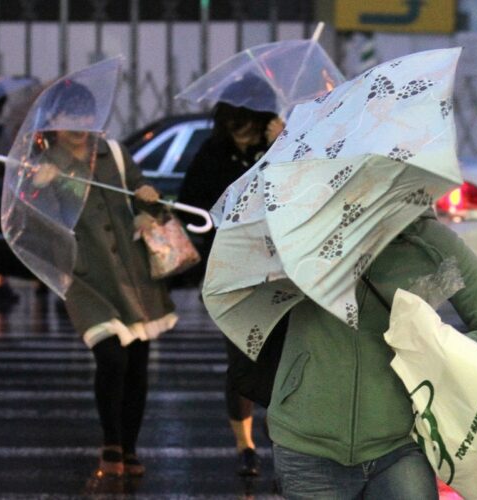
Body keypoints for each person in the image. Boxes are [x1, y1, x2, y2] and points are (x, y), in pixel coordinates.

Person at [267, 209, 477, 499]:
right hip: (307, 442)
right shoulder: (302, 235)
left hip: (403, 444)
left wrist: (437, 351)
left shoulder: (430, 243)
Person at [34, 79, 178, 478]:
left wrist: (147, 202)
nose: (77, 124)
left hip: (133, 274)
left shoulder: (113, 152)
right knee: (111, 357)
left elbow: (138, 194)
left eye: (84, 115)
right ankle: (110, 442)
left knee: (137, 364)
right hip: (86, 278)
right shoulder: (44, 165)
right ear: (52, 121)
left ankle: (129, 448)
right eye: (67, 116)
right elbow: (38, 224)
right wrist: (40, 189)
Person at [177, 78, 284, 477]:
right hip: (228, 271)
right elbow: (191, 207)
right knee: (241, 358)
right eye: (233, 123)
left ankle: (284, 442)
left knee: (279, 357)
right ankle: (245, 445)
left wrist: (284, 143)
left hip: (278, 268)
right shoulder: (212, 153)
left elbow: (303, 188)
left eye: (249, 123)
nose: (241, 132)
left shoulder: (281, 146)